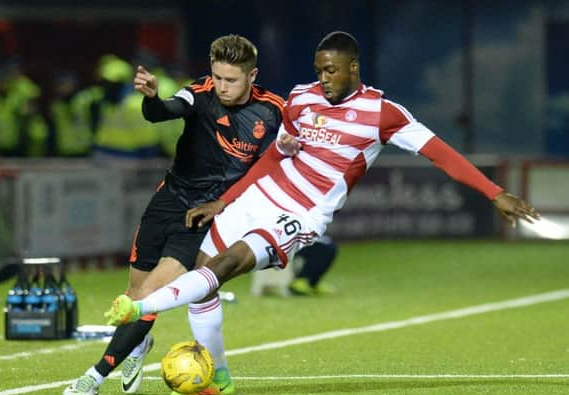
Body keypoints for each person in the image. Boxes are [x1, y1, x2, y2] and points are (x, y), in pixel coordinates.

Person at [103, 31, 541, 348]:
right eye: (318, 70)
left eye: (331, 70)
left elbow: (439, 152)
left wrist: (492, 191)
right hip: (253, 197)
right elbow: (274, 156)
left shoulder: (382, 112)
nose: (323, 78)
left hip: (302, 213)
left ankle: (140, 313)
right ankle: (206, 369)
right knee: (199, 274)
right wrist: (228, 197)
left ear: (354, 68)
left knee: (221, 266)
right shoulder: (301, 98)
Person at [63, 35, 285, 395]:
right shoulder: (199, 93)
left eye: (231, 80)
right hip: (167, 201)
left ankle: (95, 375)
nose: (222, 87)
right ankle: (138, 347)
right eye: (217, 77)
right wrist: (151, 97)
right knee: (135, 291)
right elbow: (163, 111)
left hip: (203, 217)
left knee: (149, 294)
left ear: (252, 75)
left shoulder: (274, 110)